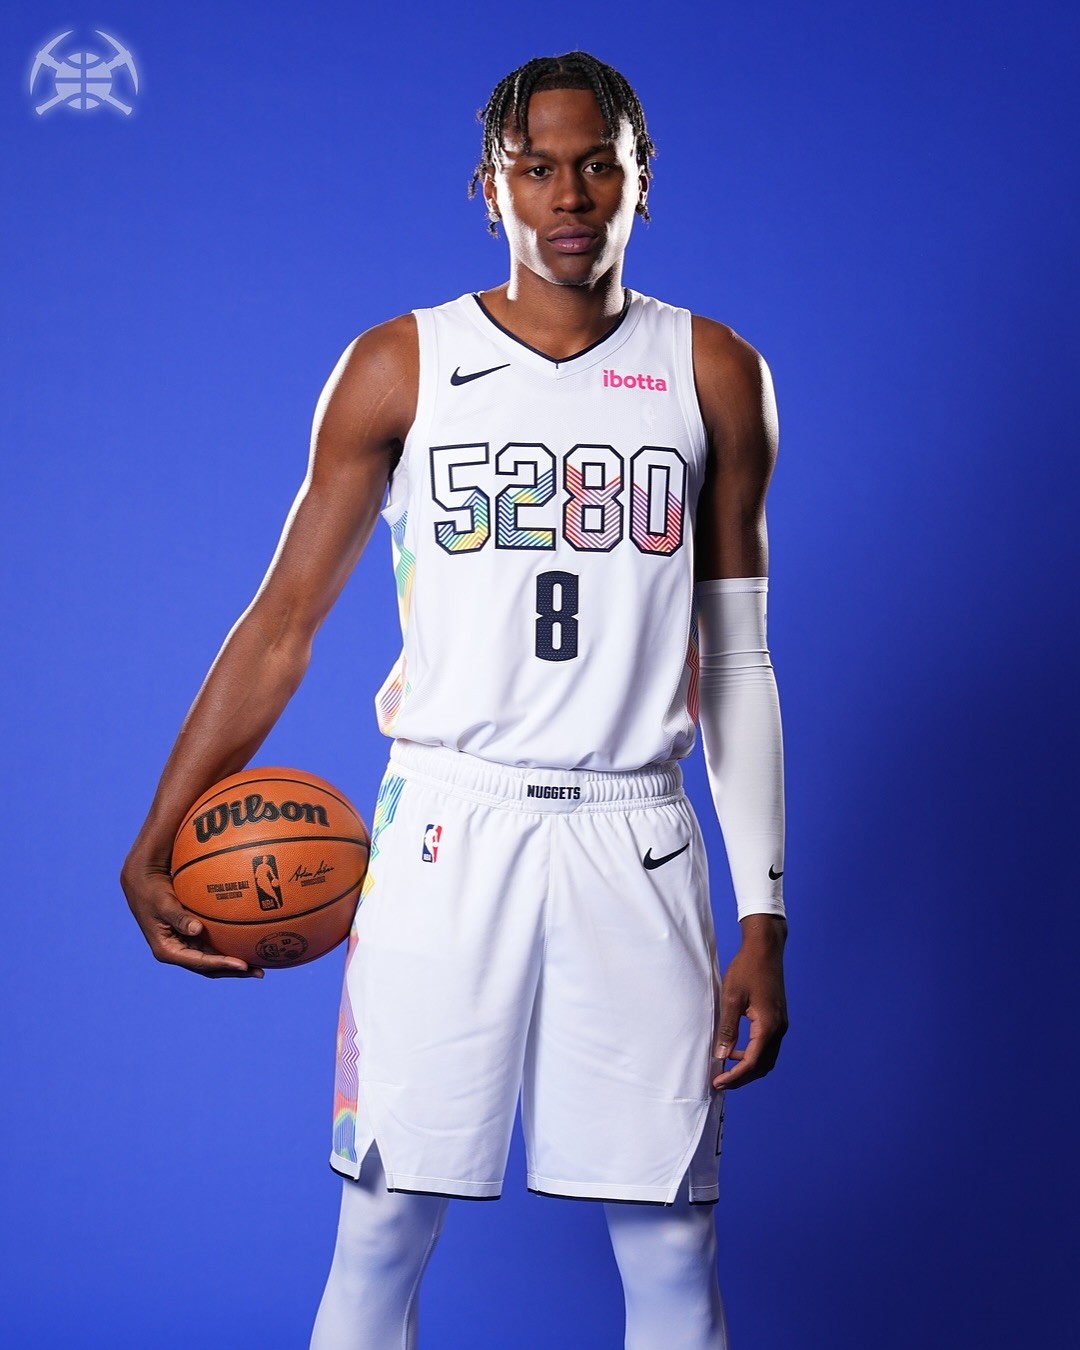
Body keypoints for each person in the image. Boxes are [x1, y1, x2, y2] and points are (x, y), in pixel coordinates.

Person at [121, 50, 788, 1350]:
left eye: (596, 164)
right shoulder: (401, 365)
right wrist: (161, 826)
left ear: (641, 176)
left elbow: (739, 660)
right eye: (534, 168)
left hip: (635, 832)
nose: (568, 195)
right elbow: (283, 623)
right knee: (381, 1223)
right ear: (489, 187)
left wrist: (765, 911)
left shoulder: (712, 371)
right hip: (444, 826)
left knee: (671, 1237)